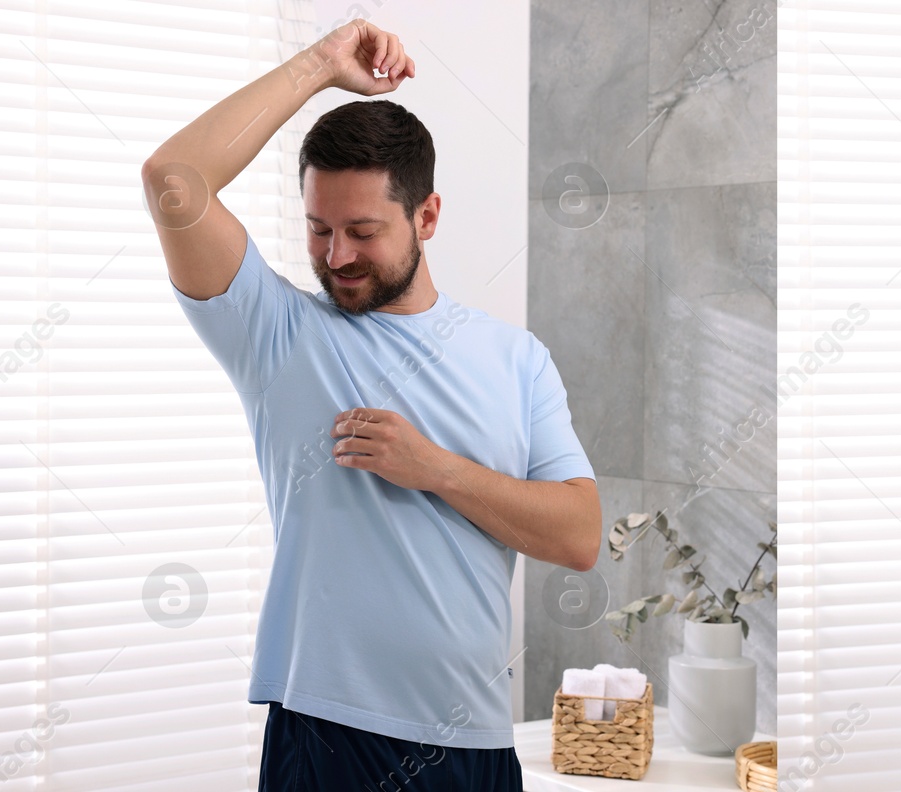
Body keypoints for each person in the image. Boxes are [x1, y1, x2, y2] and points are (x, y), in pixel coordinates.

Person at [140, 19, 600, 791]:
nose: (337, 256)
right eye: (319, 230)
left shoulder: (516, 359)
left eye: (363, 231)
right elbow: (173, 178)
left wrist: (438, 470)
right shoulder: (278, 334)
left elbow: (579, 535)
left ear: (427, 218)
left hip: (476, 745)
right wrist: (322, 63)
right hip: (328, 739)